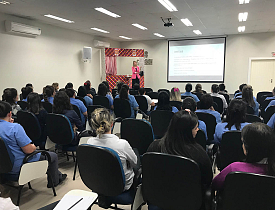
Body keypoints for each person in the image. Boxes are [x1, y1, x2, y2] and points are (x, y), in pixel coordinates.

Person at [0, 101, 66, 187]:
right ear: (10, 114)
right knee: (52, 156)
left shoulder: (11, 127)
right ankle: (54, 182)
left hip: (3, 166)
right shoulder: (15, 128)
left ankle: (59, 175)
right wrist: (34, 147)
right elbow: (28, 150)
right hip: (18, 167)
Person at [147, 110, 213, 186]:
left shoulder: (154, 147)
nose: (198, 130)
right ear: (187, 132)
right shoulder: (199, 153)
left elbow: (148, 172)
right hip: (189, 196)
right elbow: (208, 179)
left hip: (158, 194)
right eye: (195, 128)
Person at [212, 123, 275, 190]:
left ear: (248, 148)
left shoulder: (234, 169)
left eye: (243, 142)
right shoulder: (271, 170)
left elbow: (215, 184)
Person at [87, 108, 137, 191]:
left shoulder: (89, 143)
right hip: (121, 186)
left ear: (93, 126)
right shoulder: (122, 144)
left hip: (99, 184)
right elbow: (135, 163)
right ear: (112, 124)